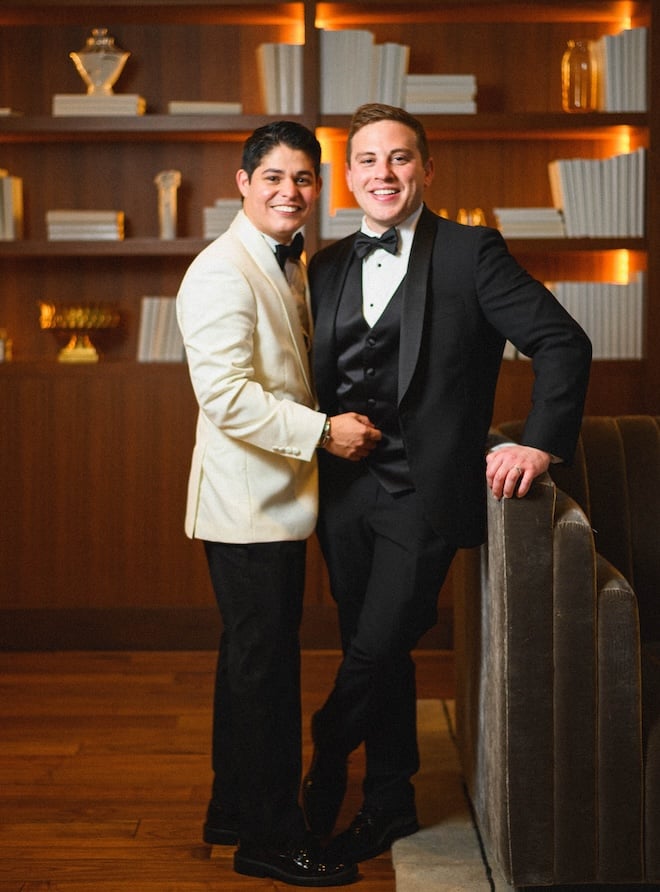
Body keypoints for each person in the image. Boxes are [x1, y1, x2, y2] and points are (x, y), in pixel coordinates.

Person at [302, 103, 592, 865]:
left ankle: (325, 759)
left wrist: (538, 444)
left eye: (400, 159)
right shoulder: (327, 265)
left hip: (424, 494)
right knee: (378, 645)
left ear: (427, 170)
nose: (383, 174)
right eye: (368, 160)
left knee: (376, 643)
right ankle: (390, 800)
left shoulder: (471, 252)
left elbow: (561, 342)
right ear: (348, 176)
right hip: (343, 494)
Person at [176, 120, 377, 887]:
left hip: (273, 498)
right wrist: (326, 432)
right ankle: (269, 839)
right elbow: (226, 398)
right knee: (267, 668)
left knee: (250, 661)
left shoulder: (283, 261)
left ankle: (232, 808)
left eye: (303, 180)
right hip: (247, 503)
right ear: (243, 182)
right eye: (274, 178)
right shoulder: (223, 270)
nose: (290, 192)